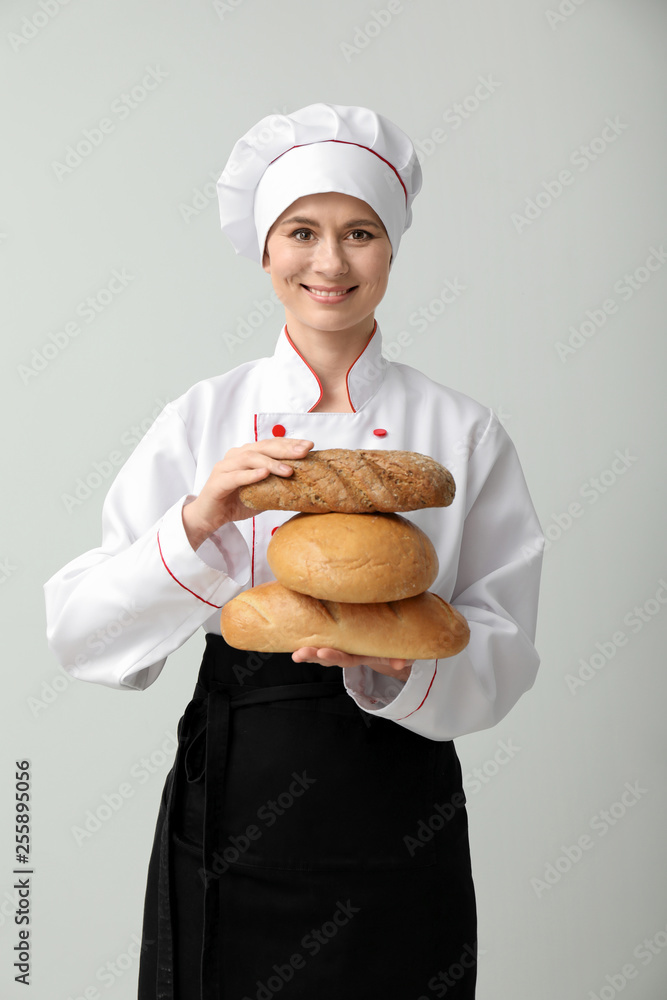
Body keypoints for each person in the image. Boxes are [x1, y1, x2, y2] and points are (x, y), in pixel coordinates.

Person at [43, 103, 544, 1000]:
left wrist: (392, 661)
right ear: (266, 251)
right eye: (301, 232)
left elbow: (503, 647)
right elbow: (80, 637)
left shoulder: (460, 433)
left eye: (359, 233)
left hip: (397, 799)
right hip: (240, 794)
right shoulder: (203, 418)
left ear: (390, 250)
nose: (329, 261)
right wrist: (198, 520)